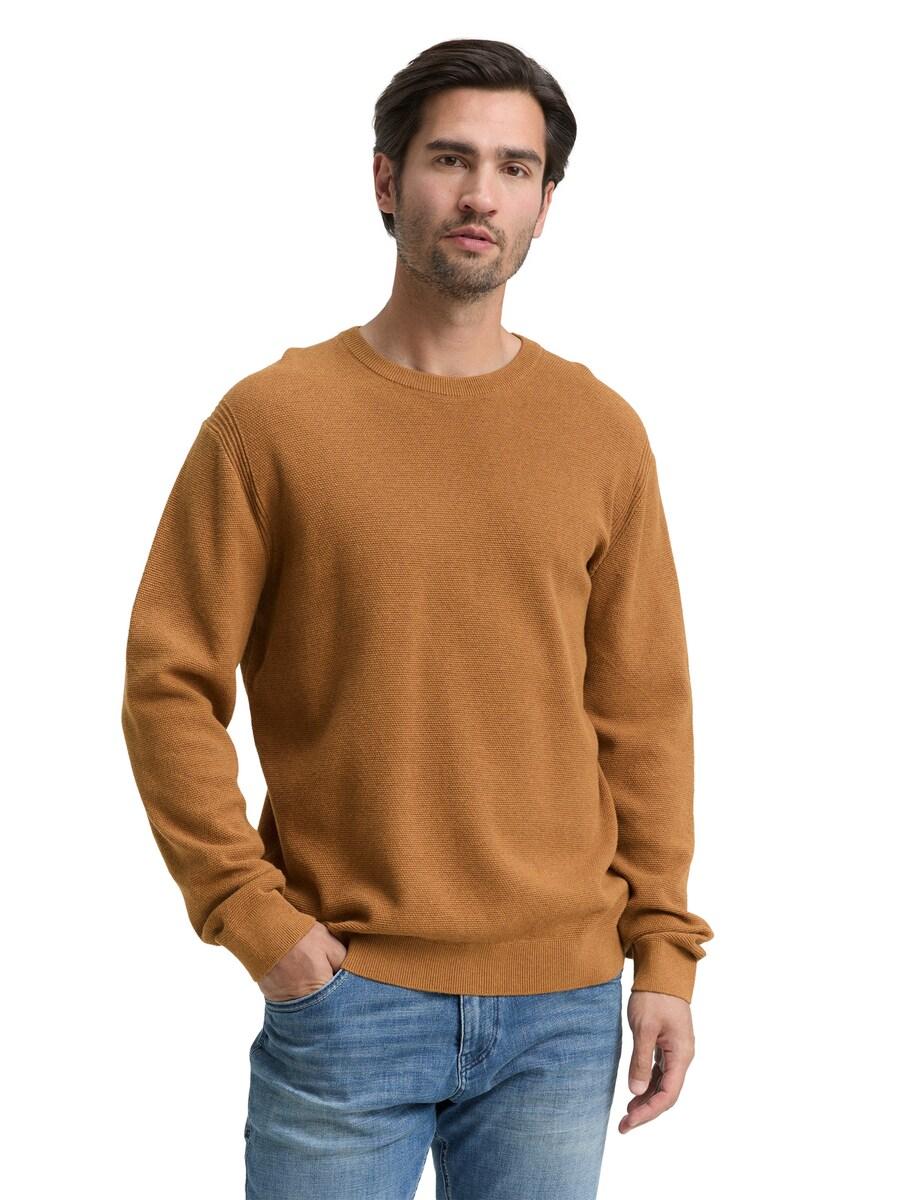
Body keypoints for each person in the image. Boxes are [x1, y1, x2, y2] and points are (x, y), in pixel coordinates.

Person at [121, 37, 714, 1199]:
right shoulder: (271, 423)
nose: (481, 193)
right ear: (388, 180)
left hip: (563, 1007)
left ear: (545, 203)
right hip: (348, 998)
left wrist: (665, 957)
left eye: (514, 167)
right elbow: (167, 683)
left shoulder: (601, 433)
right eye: (451, 159)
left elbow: (643, 713)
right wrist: (252, 918)